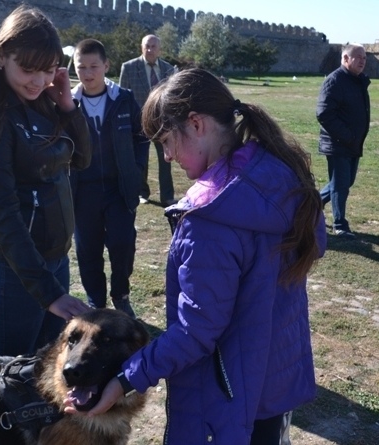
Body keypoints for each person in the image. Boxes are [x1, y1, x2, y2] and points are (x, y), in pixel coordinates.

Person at [65, 68, 327, 445]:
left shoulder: (211, 218)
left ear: (197, 124)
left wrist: (125, 380)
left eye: (168, 141)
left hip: (231, 395)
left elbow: (195, 333)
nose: (167, 157)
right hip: (274, 382)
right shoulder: (276, 174)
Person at [0, 5, 92, 357]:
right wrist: (49, 293)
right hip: (11, 272)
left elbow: (82, 158)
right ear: (2, 56)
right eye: (28, 69)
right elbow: (2, 214)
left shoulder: (43, 102)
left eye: (47, 70)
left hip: (52, 262)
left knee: (47, 366)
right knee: (10, 374)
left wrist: (65, 103)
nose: (37, 80)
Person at [69, 39, 148, 319]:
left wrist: (137, 170)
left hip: (119, 190)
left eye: (94, 66)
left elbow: (141, 137)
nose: (88, 73)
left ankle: (121, 295)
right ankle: (96, 301)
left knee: (122, 245)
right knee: (87, 248)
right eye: (81, 67)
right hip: (82, 191)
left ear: (106, 66)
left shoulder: (123, 99)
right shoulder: (68, 103)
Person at [316, 43, 370, 238]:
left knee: (345, 182)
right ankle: (340, 225)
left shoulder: (358, 81)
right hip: (338, 144)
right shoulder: (335, 81)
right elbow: (323, 113)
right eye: (358, 57)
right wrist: (345, 136)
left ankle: (312, 204)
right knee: (340, 185)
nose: (363, 61)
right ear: (346, 59)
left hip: (353, 144)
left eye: (364, 58)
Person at [119, 34, 176, 206]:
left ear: (159, 49)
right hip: (138, 121)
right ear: (141, 47)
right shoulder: (128, 67)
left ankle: (167, 196)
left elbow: (172, 96)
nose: (150, 49)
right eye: (147, 46)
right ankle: (142, 192)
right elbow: (122, 97)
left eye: (153, 46)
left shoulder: (168, 69)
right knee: (140, 159)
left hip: (162, 122)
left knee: (166, 160)